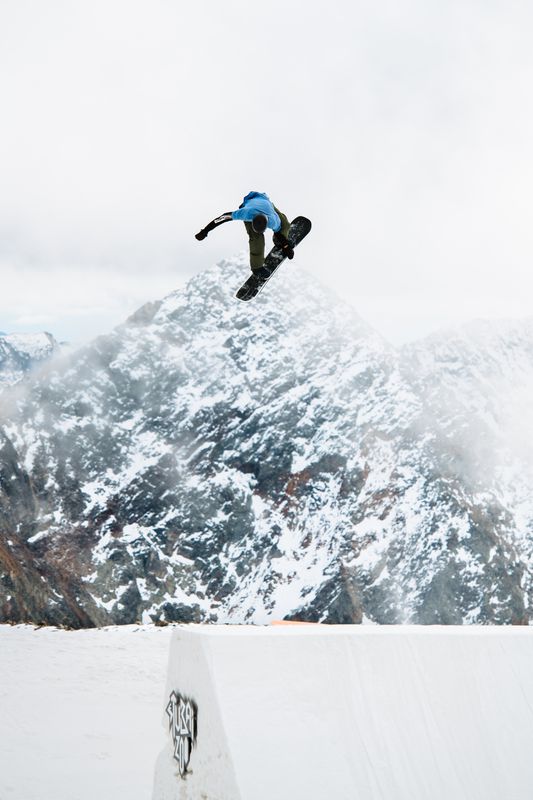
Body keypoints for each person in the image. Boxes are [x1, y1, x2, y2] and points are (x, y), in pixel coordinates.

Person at [195, 191, 294, 276]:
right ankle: (257, 268)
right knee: (256, 238)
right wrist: (205, 231)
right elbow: (222, 218)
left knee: (285, 225)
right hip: (250, 204)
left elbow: (278, 231)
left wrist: (285, 246)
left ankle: (278, 242)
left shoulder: (273, 220)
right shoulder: (245, 213)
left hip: (267, 203)